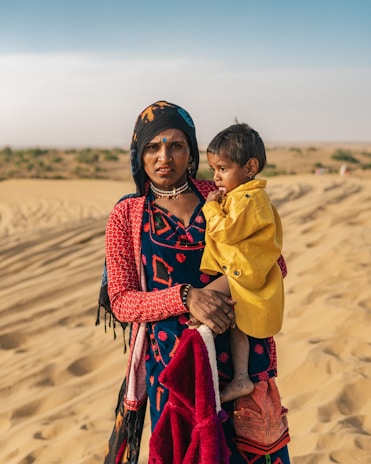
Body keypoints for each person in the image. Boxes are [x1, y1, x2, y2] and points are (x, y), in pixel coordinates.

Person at [99, 101, 291, 463]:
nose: (163, 156)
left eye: (176, 145)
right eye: (152, 147)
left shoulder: (223, 194)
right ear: (139, 156)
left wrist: (222, 292)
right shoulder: (127, 214)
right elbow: (122, 302)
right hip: (175, 372)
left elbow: (273, 261)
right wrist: (187, 297)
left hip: (240, 367)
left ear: (191, 153)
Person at [198, 123, 284, 405]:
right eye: (213, 170)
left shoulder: (250, 198)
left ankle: (200, 379)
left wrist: (210, 206)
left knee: (200, 308)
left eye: (222, 168)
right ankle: (242, 379)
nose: (216, 177)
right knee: (238, 328)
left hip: (240, 272)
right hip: (237, 269)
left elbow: (225, 231)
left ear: (250, 167)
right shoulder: (240, 196)